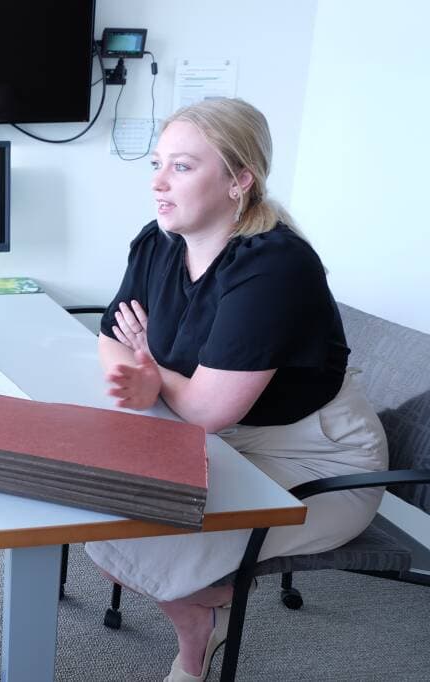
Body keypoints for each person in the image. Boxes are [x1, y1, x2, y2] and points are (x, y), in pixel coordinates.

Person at [85, 98, 387, 682]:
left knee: (144, 543)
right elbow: (109, 339)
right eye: (157, 163)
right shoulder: (159, 241)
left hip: (321, 460)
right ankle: (208, 602)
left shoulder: (273, 266)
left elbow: (208, 408)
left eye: (182, 167)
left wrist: (156, 371)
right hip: (222, 439)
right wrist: (157, 372)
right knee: (101, 514)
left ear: (238, 180)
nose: (158, 183)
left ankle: (200, 621)